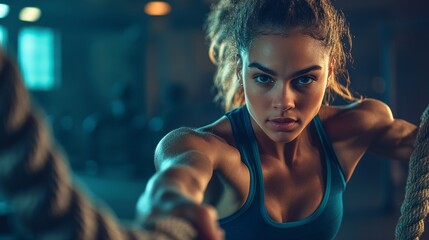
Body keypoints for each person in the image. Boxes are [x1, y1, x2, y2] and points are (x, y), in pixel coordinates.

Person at [136, 0, 421, 240]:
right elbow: (178, 177)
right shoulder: (208, 147)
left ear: (330, 70)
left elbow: (418, 146)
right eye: (263, 78)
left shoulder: (355, 126)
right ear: (239, 70)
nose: (284, 102)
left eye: (305, 79)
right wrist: (168, 198)